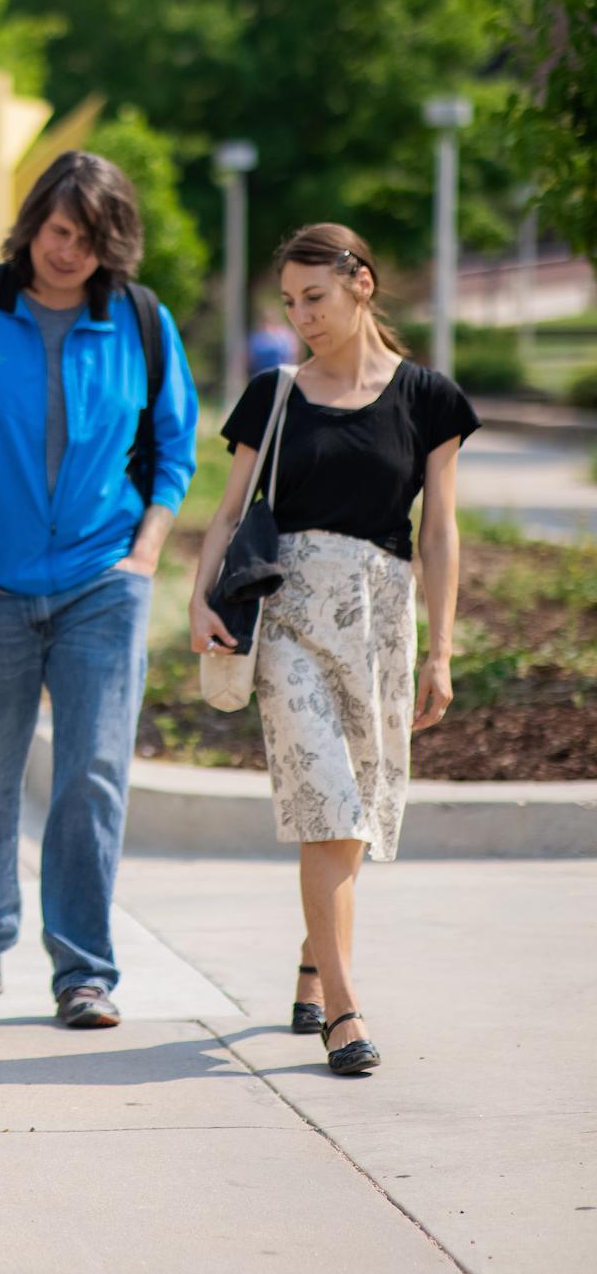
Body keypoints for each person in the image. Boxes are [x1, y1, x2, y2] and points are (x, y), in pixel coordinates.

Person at [0, 152, 199, 1029]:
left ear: (115, 249)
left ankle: (83, 970)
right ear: (33, 220)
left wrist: (143, 556)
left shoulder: (141, 322)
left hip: (101, 585)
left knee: (92, 778)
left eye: (91, 239)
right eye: (60, 229)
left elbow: (175, 452)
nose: (69, 251)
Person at [188, 224, 473, 1077]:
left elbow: (442, 531)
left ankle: (314, 961)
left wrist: (441, 650)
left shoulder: (428, 398)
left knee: (357, 816)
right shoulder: (274, 394)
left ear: (362, 285)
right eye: (288, 301)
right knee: (328, 810)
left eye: (314, 297)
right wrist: (202, 599)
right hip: (290, 625)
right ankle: (344, 1011)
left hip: (382, 623)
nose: (300, 315)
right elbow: (231, 510)